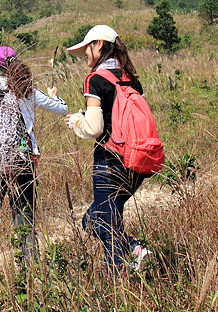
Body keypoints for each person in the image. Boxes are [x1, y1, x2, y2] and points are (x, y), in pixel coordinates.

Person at [64, 25, 152, 274]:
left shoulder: (95, 79)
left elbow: (94, 128)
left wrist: (75, 121)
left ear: (99, 45)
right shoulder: (131, 79)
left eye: (87, 51)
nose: (86, 58)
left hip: (109, 160)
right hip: (136, 160)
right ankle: (134, 251)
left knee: (105, 223)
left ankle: (119, 285)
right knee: (93, 220)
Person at [0, 46, 67, 264]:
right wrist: (55, 96)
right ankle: (30, 271)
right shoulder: (29, 90)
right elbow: (62, 109)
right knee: (24, 219)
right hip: (23, 161)